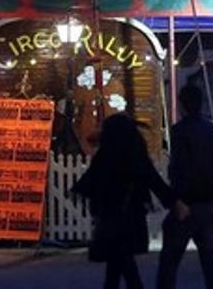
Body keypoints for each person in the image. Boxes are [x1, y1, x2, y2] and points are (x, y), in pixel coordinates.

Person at [73, 113, 189, 289]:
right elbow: (154, 180)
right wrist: (174, 202)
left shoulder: (105, 156)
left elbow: (89, 185)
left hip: (110, 218)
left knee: (119, 267)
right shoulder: (135, 155)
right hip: (130, 217)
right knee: (122, 266)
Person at [156, 85, 213, 289]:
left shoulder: (180, 131)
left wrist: (176, 198)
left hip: (187, 203)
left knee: (169, 262)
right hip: (211, 202)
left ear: (182, 104)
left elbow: (179, 168)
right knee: (211, 263)